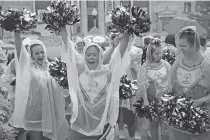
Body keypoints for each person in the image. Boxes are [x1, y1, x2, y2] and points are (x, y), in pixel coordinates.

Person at [60, 25, 135, 140]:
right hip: (80, 125)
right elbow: (69, 48)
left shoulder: (108, 73)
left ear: (100, 57)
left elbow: (119, 55)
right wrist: (62, 25)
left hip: (102, 126)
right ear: (84, 56)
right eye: (88, 55)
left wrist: (127, 33)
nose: (91, 58)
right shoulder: (80, 72)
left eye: (95, 55)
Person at [11, 33, 68, 140]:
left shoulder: (51, 69)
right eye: (36, 53)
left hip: (50, 115)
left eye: (42, 52)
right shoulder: (28, 69)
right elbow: (20, 52)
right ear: (31, 55)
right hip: (34, 116)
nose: (40, 55)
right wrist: (16, 32)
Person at [168, 26, 210, 140]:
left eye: (183, 46)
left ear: (193, 46)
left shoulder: (206, 66)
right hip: (179, 119)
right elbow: (170, 87)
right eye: (179, 45)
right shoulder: (177, 64)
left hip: (200, 120)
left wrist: (200, 101)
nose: (180, 49)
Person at [137, 37, 171, 140]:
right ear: (150, 53)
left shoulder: (166, 64)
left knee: (166, 127)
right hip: (151, 101)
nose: (159, 55)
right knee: (153, 126)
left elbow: (171, 81)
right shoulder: (145, 67)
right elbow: (142, 84)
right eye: (156, 53)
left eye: (160, 53)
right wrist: (146, 101)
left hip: (165, 101)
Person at [118, 45, 143, 140]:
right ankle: (120, 130)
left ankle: (137, 131)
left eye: (139, 57)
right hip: (124, 85)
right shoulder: (124, 60)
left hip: (136, 86)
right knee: (122, 108)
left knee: (136, 109)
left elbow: (139, 75)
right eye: (135, 57)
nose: (137, 58)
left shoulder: (139, 64)